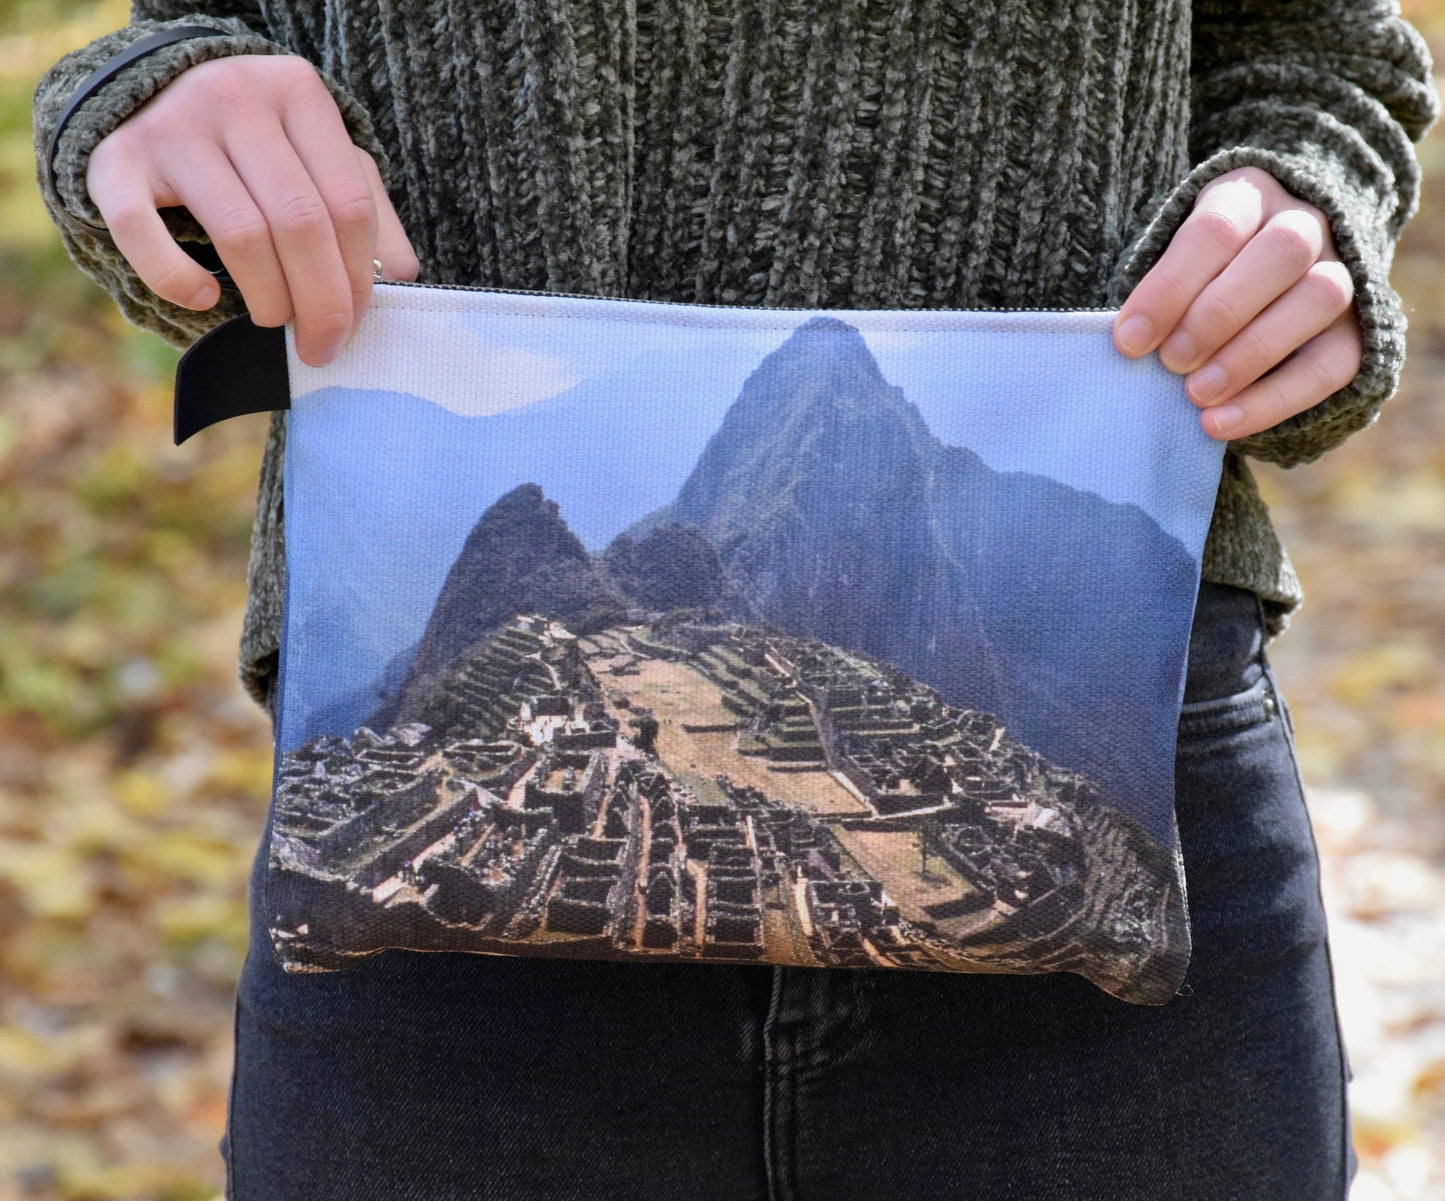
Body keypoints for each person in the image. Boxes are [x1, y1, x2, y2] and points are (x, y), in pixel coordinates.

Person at [32, 4, 1439, 1198]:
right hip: (437, 987)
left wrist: (1304, 204)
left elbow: (1321, 54)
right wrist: (161, 103)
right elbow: (187, 40)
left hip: (1122, 796)